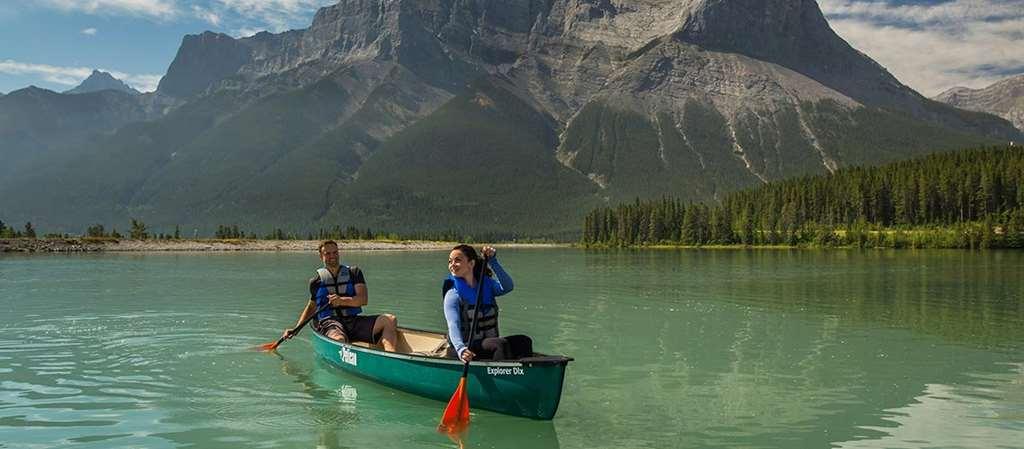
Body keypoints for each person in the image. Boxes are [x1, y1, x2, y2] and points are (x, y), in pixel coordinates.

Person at [281, 240, 398, 351]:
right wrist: (296, 329)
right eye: (327, 253)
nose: (332, 256)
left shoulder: (354, 273)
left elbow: (363, 299)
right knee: (339, 339)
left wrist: (341, 301)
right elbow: (311, 307)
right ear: (321, 256)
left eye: (335, 252)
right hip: (330, 323)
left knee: (390, 320)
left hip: (353, 321)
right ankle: (347, 353)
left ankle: (391, 355)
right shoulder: (315, 281)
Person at [443, 244, 532, 361]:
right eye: (450, 261)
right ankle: (501, 376)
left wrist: (492, 261)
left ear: (471, 263)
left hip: (485, 346)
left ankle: (524, 372)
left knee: (524, 341)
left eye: (457, 260)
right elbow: (453, 325)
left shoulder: (486, 286)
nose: (452, 265)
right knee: (499, 344)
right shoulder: (453, 295)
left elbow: (508, 286)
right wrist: (461, 349)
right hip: (464, 349)